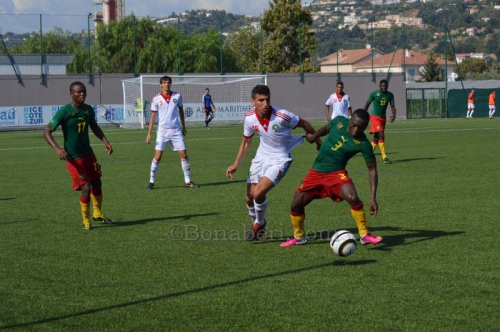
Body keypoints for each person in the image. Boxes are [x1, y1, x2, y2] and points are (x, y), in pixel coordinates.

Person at [226, 84, 321, 242]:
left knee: (257, 193)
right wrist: (236, 163)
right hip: (260, 157)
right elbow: (246, 141)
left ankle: (259, 223)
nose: (265, 104)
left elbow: (304, 124)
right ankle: (258, 225)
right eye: (261, 100)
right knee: (249, 198)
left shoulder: (281, 115)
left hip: (280, 159)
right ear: (253, 101)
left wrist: (318, 141)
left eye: (267, 100)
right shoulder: (249, 118)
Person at [281, 109, 383, 247]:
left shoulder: (364, 143)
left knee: (353, 197)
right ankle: (299, 237)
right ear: (350, 119)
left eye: (361, 127)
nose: (356, 129)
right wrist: (314, 137)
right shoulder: (339, 121)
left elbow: (372, 169)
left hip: (336, 174)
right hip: (315, 173)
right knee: (296, 204)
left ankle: (364, 235)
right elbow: (326, 128)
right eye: (354, 125)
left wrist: (373, 196)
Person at [43, 81, 114, 230]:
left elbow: (94, 126)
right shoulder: (65, 112)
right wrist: (57, 148)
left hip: (89, 154)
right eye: (78, 92)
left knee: (97, 183)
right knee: (86, 188)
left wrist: (105, 141)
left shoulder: (88, 110)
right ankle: (86, 221)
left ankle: (97, 213)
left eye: (84, 91)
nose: (82, 94)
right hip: (74, 157)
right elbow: (46, 131)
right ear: (71, 94)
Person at [146, 76, 199, 190]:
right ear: (161, 85)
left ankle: (188, 181)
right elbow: (152, 117)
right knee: (158, 156)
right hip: (162, 131)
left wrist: (184, 127)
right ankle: (151, 181)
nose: (167, 84)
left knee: (184, 155)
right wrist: (149, 133)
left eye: (168, 82)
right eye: (164, 83)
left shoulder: (177, 96)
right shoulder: (156, 98)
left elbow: (181, 111)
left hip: (176, 130)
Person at [363, 79, 396, 164]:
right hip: (374, 117)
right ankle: (384, 157)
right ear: (379, 86)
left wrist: (394, 115)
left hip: (383, 118)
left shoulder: (390, 95)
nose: (384, 87)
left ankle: (368, 154)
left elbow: (392, 106)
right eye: (382, 86)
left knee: (376, 138)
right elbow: (367, 104)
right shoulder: (374, 94)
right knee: (381, 135)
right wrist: (363, 115)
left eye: (385, 86)